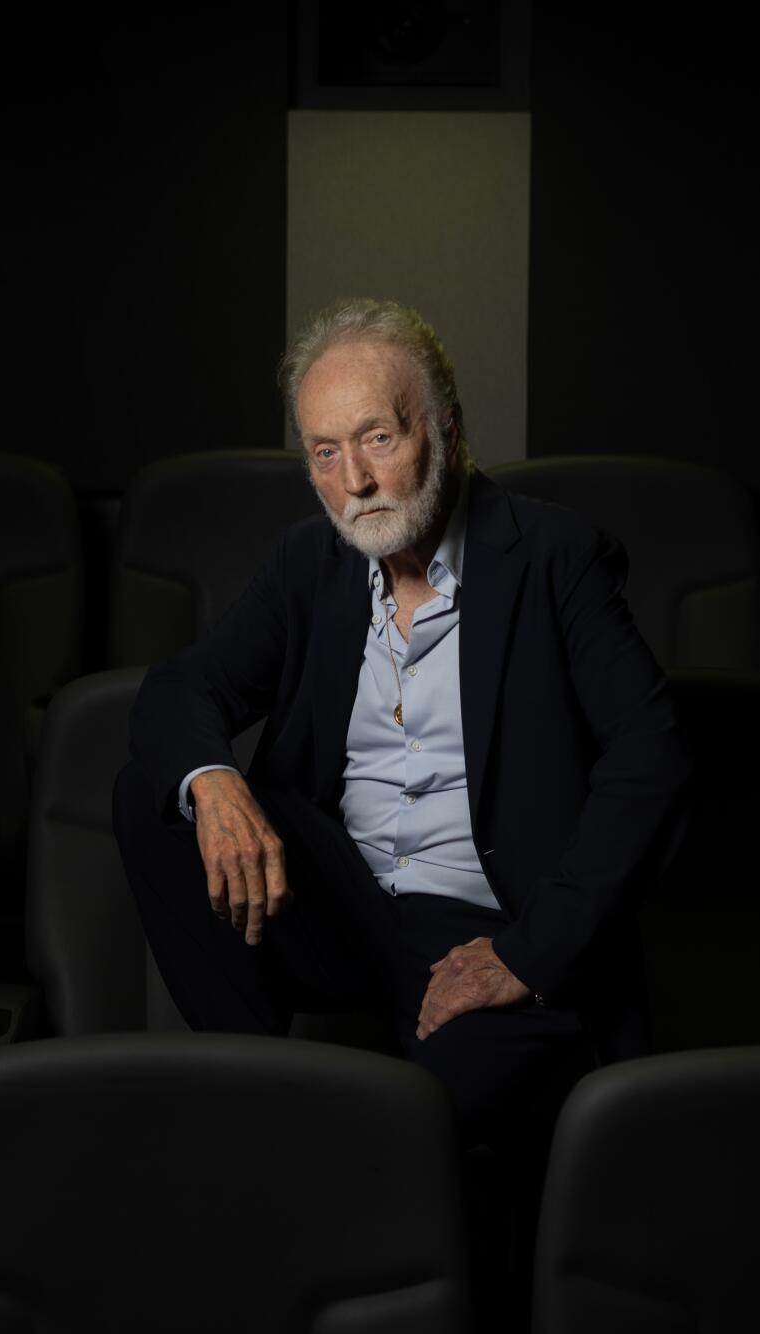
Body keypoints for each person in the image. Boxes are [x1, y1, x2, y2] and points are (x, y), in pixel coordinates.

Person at [114, 297, 690, 1143]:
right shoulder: (308, 563)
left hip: (487, 923)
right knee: (154, 795)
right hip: (339, 899)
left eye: (379, 439)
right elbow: (180, 688)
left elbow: (655, 759)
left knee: (410, 1139)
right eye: (325, 452)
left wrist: (531, 954)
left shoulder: (554, 558)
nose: (354, 482)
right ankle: (255, 1097)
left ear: (447, 432)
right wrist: (215, 785)